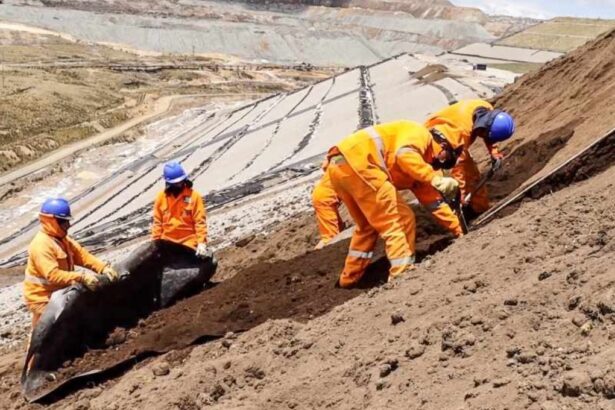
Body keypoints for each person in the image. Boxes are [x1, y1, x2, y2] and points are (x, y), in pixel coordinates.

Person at [326, 120, 464, 288]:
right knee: (399, 219)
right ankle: (401, 275)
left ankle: (348, 279)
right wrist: (434, 178)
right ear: (442, 145)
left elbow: (434, 203)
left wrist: (460, 230)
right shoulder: (421, 135)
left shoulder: (421, 165)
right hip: (360, 163)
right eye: (446, 158)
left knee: (367, 226)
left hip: (340, 167)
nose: (441, 164)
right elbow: (404, 155)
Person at [24, 198, 118, 329]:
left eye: (67, 221)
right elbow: (53, 275)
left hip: (58, 293)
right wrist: (81, 277)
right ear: (51, 220)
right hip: (42, 299)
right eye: (63, 222)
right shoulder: (41, 245)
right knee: (47, 334)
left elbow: (82, 255)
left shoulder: (62, 240)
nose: (68, 225)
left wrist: (102, 268)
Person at [425, 99, 515, 219]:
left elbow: (489, 133)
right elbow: (457, 168)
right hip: (436, 144)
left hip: (453, 139)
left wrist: (494, 152)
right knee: (446, 185)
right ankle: (455, 215)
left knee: (473, 177)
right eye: (483, 134)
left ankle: (480, 210)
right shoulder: (462, 132)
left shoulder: (486, 109)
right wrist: (459, 195)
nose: (483, 137)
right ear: (480, 128)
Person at [152, 161, 212, 260]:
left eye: (180, 181)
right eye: (175, 183)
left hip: (188, 243)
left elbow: (199, 221)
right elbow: (157, 223)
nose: (179, 184)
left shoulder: (194, 197)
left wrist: (201, 242)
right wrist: (155, 244)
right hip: (167, 243)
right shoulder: (161, 198)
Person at [312, 162, 345, 250]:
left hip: (323, 194)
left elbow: (325, 165)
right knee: (330, 239)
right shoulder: (352, 156)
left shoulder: (341, 156)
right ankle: (314, 258)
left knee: (340, 228)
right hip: (325, 200)